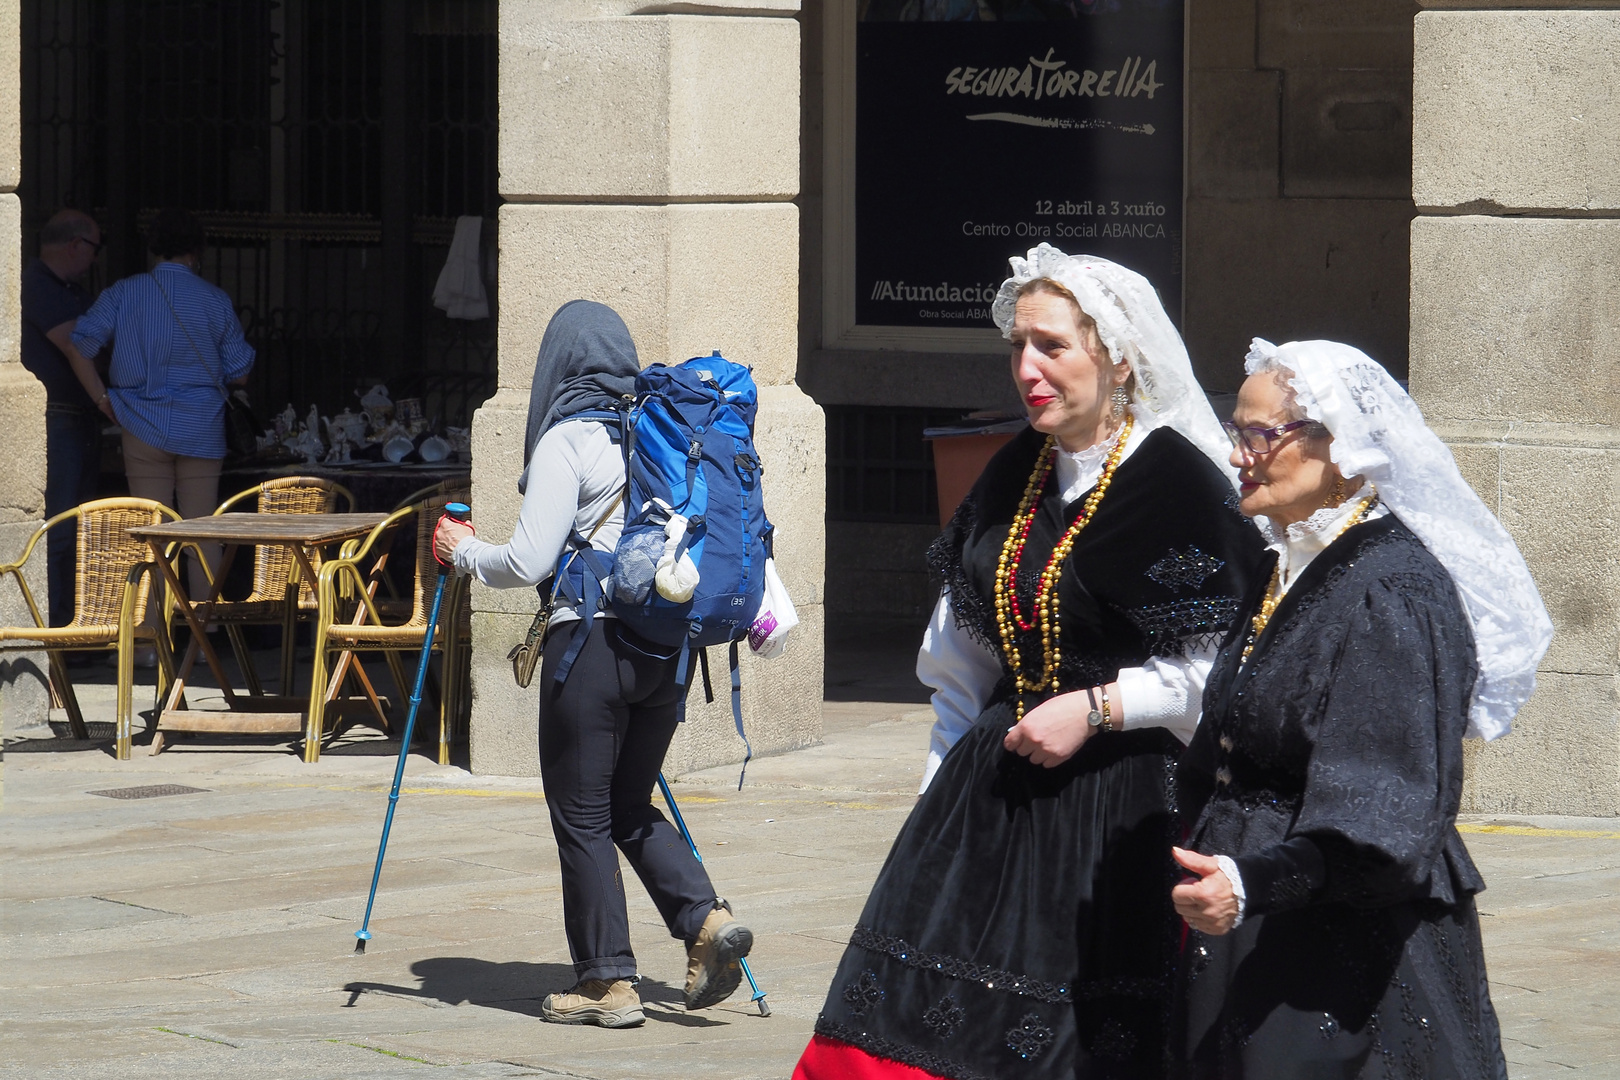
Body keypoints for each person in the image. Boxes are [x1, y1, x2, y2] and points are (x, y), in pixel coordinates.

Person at [794, 244, 1264, 1080]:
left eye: (1052, 346)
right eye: (1018, 346)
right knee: (905, 1025)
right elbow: (959, 662)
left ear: (1117, 359)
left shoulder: (1176, 485)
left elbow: (1218, 677)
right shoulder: (1017, 470)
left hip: (1121, 807)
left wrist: (1094, 709)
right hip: (993, 792)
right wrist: (938, 798)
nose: (1027, 368)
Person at [1169, 338, 1552, 1078]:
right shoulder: (1291, 559)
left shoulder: (1390, 591)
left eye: (1258, 434)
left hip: (1343, 949)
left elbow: (1384, 813)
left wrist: (1253, 883)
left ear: (1338, 448)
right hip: (1256, 921)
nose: (1237, 454)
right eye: (1235, 431)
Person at [432, 299, 754, 1029]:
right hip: (664, 654)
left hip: (593, 650)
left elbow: (528, 561)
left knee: (580, 815)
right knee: (627, 806)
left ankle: (606, 981)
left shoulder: (567, 438)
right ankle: (704, 919)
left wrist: (462, 556)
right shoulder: (659, 432)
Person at [71, 207, 254, 601]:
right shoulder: (215, 299)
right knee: (203, 534)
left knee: (150, 533)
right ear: (196, 251)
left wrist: (102, 398)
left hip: (140, 423)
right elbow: (239, 372)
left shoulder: (123, 292)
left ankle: (149, 639)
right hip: (202, 428)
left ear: (153, 248)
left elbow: (80, 345)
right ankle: (206, 635)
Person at [21, 209, 112, 629]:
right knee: (59, 529)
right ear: (76, 244)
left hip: (76, 421)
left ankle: (73, 626)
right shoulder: (36, 283)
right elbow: (77, 345)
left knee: (78, 529)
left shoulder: (72, 290)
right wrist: (102, 399)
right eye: (95, 247)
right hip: (57, 420)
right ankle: (56, 632)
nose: (96, 258)